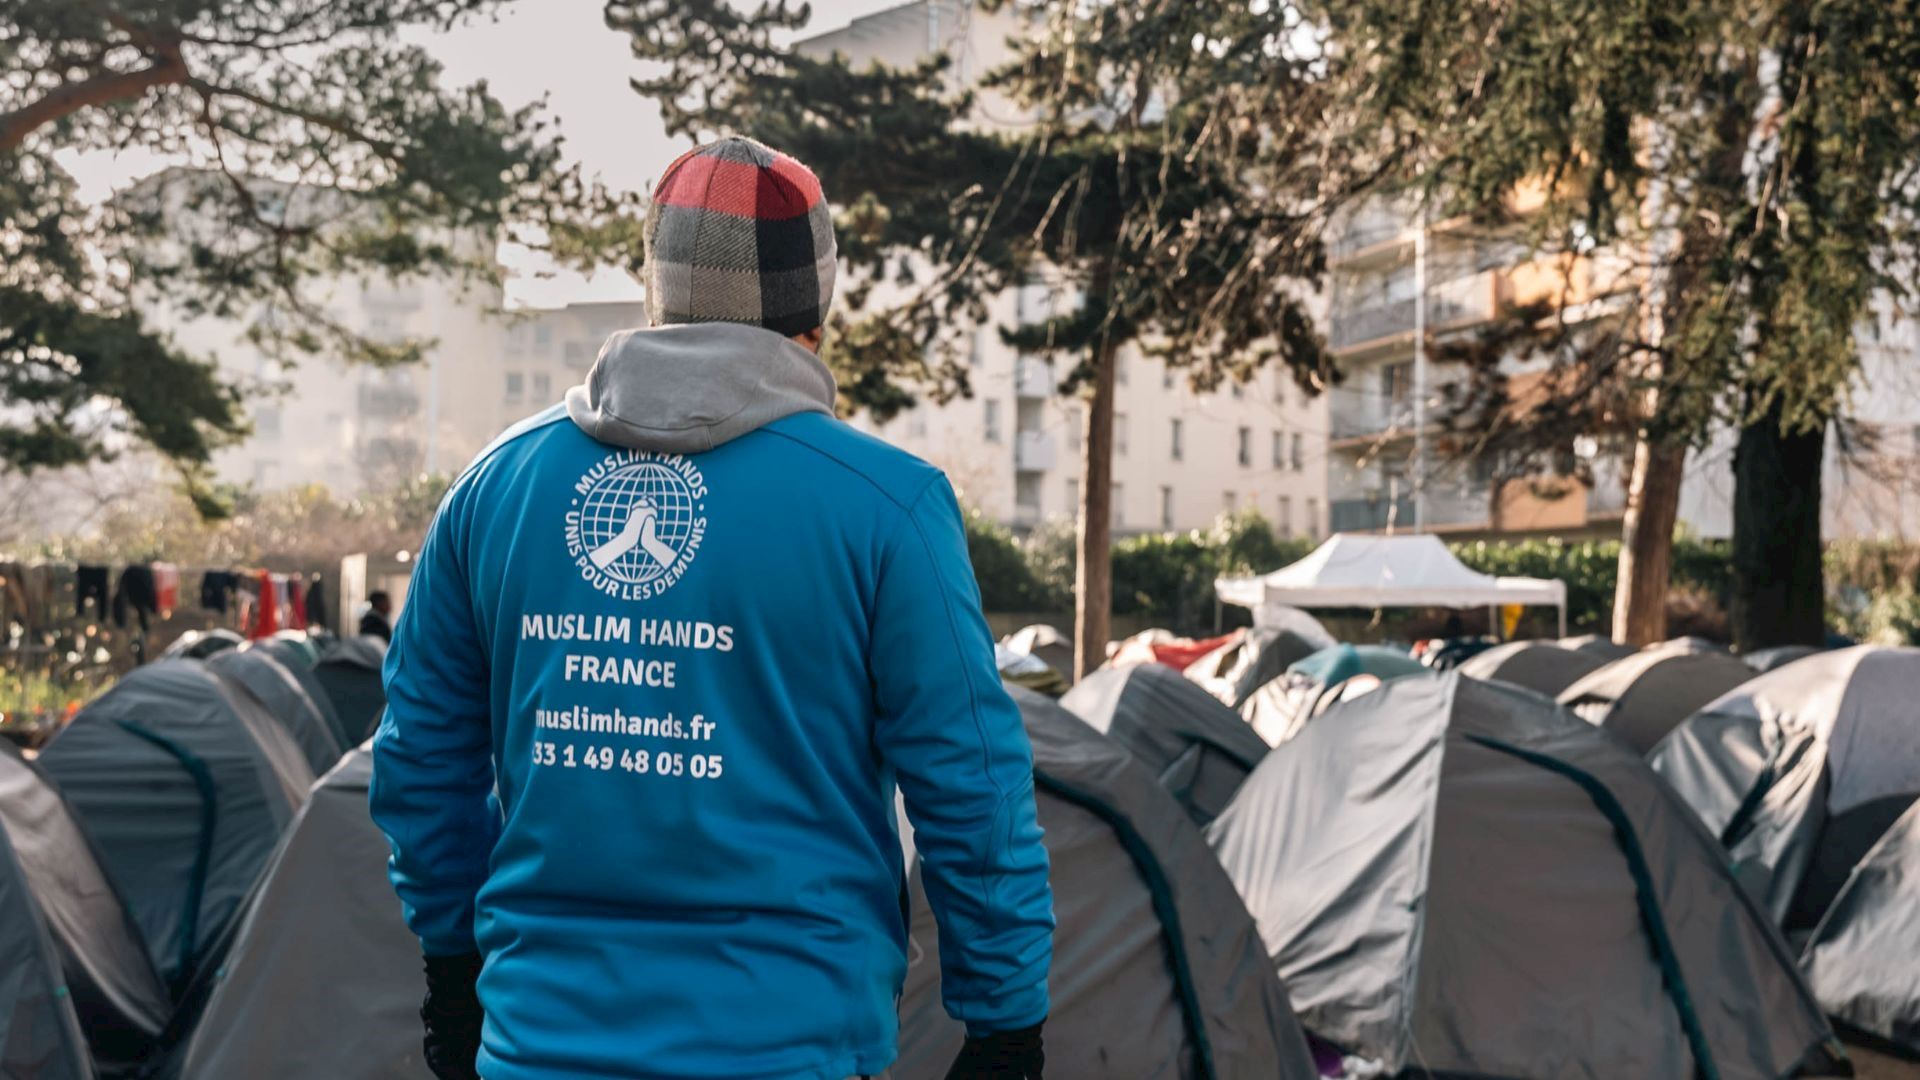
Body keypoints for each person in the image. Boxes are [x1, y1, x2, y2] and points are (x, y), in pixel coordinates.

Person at [369, 137, 1054, 1080]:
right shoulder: (887, 507)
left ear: (659, 298)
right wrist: (1006, 1025)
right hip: (795, 1047)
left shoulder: (494, 491)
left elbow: (418, 766)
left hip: (539, 1044)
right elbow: (973, 787)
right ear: (814, 311)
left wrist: (453, 967)